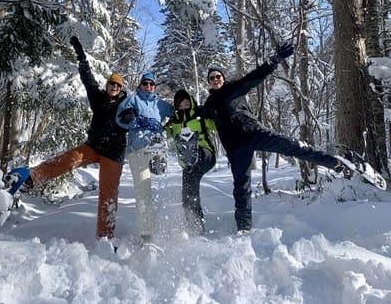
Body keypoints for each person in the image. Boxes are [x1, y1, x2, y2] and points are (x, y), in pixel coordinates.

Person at [203, 41, 344, 233]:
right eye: (212, 78)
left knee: (293, 146)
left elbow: (255, 76)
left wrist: (274, 60)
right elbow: (189, 116)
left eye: (218, 76)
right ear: (208, 82)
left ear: (223, 77)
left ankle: (334, 162)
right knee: (241, 189)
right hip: (235, 149)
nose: (216, 79)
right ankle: (244, 230)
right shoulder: (208, 105)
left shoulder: (234, 88)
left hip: (254, 133)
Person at [7, 36, 128, 240]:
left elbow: (141, 117)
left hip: (114, 154)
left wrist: (132, 118)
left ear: (121, 89)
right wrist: (81, 57)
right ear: (107, 85)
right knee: (67, 160)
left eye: (118, 85)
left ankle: (105, 237)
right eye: (112, 84)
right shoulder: (97, 97)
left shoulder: (126, 105)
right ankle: (31, 178)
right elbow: (87, 78)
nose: (114, 87)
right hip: (93, 146)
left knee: (108, 194)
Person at [115, 72, 173, 243]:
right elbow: (120, 119)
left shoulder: (160, 104)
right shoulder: (133, 99)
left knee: (162, 186)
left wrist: (167, 128)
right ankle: (147, 233)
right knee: (143, 191)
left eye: (151, 84)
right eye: (145, 83)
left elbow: (177, 111)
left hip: (156, 147)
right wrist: (132, 120)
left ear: (155, 87)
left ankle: (167, 223)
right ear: (140, 85)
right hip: (137, 149)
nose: (148, 86)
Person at [166, 89, 218, 236]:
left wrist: (210, 113)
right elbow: (162, 135)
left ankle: (192, 153)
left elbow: (218, 124)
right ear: (176, 106)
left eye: (187, 104)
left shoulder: (199, 117)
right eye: (181, 105)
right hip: (188, 165)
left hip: (205, 154)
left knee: (193, 155)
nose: (184, 107)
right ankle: (195, 228)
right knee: (188, 195)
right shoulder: (173, 123)